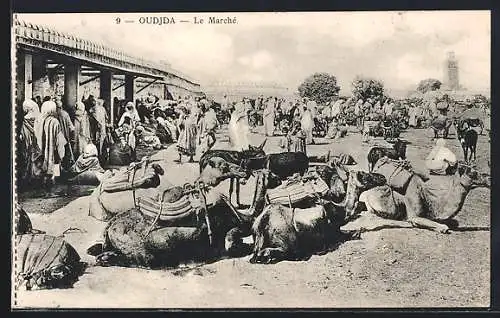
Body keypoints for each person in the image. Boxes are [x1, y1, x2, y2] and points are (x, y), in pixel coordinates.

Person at [34, 100, 67, 196]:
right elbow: (59, 140)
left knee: (42, 167)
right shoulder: (54, 121)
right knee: (53, 167)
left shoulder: (38, 119)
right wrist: (62, 151)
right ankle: (51, 189)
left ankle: (43, 187)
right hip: (52, 150)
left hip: (40, 149)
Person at [19, 99, 41, 185]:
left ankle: (28, 176)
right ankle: (36, 176)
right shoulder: (38, 117)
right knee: (36, 158)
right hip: (36, 141)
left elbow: (23, 133)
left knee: (28, 157)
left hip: (28, 142)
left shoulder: (26, 118)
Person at [55, 96, 75, 169]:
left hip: (56, 137)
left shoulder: (54, 115)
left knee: (57, 155)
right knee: (65, 153)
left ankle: (58, 171)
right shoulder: (65, 114)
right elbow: (71, 127)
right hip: (65, 137)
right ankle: (64, 169)